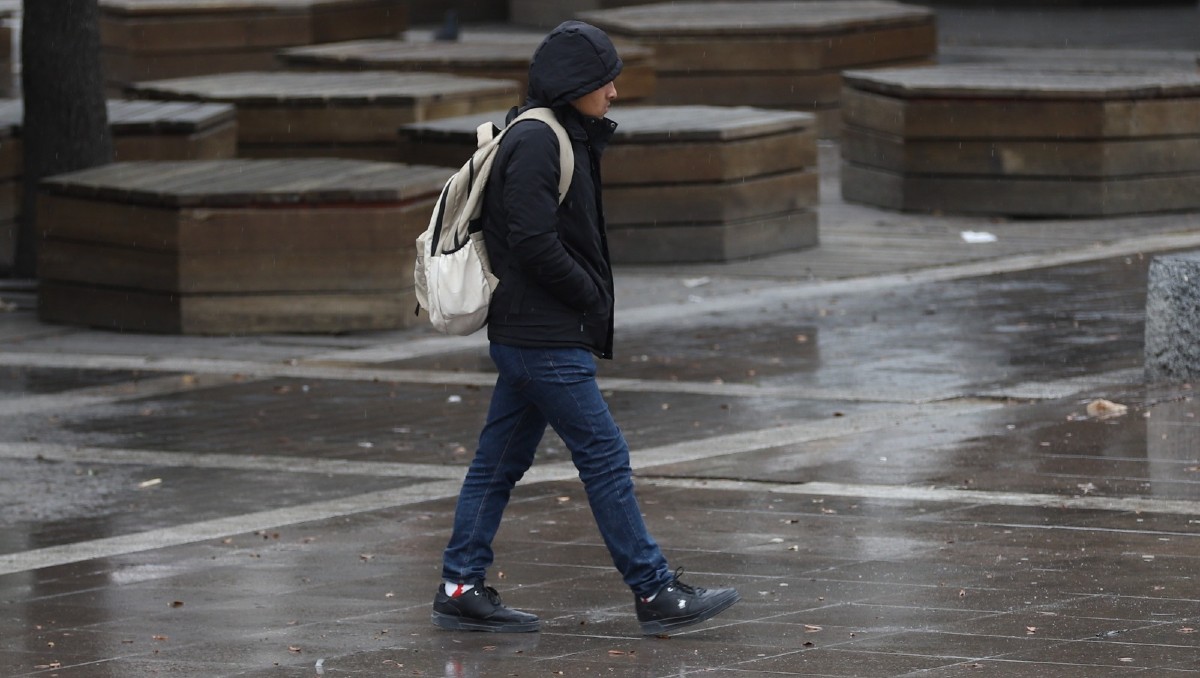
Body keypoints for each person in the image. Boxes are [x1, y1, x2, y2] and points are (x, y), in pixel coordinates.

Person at [431, 20, 740, 636]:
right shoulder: (539, 141)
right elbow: (533, 242)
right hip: (542, 336)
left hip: (534, 334)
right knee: (603, 454)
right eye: (605, 80)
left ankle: (460, 585)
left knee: (498, 464)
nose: (615, 92)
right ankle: (653, 590)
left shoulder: (561, 133)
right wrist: (590, 295)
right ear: (575, 82)